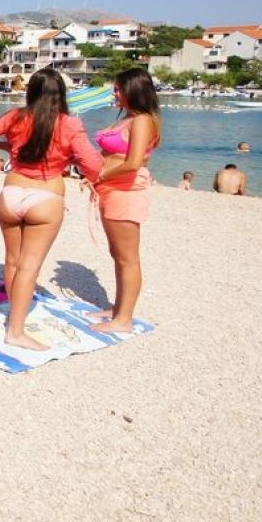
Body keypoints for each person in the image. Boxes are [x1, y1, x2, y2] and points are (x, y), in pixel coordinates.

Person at [0, 69, 103, 352]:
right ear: (62, 95)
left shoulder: (15, 117)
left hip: (11, 193)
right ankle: (15, 331)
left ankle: (11, 313)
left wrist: (4, 149)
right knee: (29, 266)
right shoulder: (69, 124)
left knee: (13, 261)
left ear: (31, 92)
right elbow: (92, 164)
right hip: (46, 195)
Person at [91, 68, 161, 334]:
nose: (114, 93)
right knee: (118, 254)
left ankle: (124, 319)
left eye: (119, 89)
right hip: (111, 189)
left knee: (128, 257)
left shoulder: (142, 120)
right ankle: (119, 307)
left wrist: (102, 174)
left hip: (126, 190)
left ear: (133, 90)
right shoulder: (129, 119)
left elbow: (133, 162)